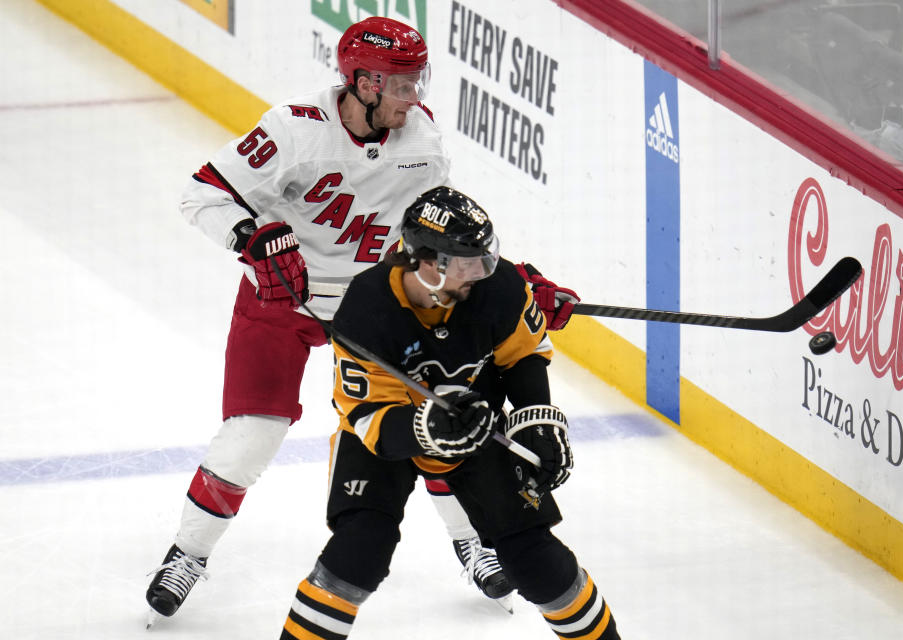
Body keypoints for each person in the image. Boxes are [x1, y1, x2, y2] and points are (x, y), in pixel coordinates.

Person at [145, 16, 579, 624]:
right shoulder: (293, 131)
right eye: (402, 84)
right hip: (283, 302)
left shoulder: (420, 143)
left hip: (377, 310)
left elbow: (439, 233)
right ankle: (187, 552)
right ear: (364, 82)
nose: (415, 96)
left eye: (416, 81)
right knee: (251, 436)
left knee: (438, 419)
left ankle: (472, 539)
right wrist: (252, 237)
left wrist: (516, 281)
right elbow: (201, 195)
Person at [278, 186, 620, 640]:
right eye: (465, 264)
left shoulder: (497, 288)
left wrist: (536, 416)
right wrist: (430, 429)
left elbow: (525, 354)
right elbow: (370, 422)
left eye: (483, 259)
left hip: (475, 424)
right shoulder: (366, 308)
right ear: (425, 261)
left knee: (536, 561)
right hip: (388, 438)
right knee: (360, 552)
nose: (480, 273)